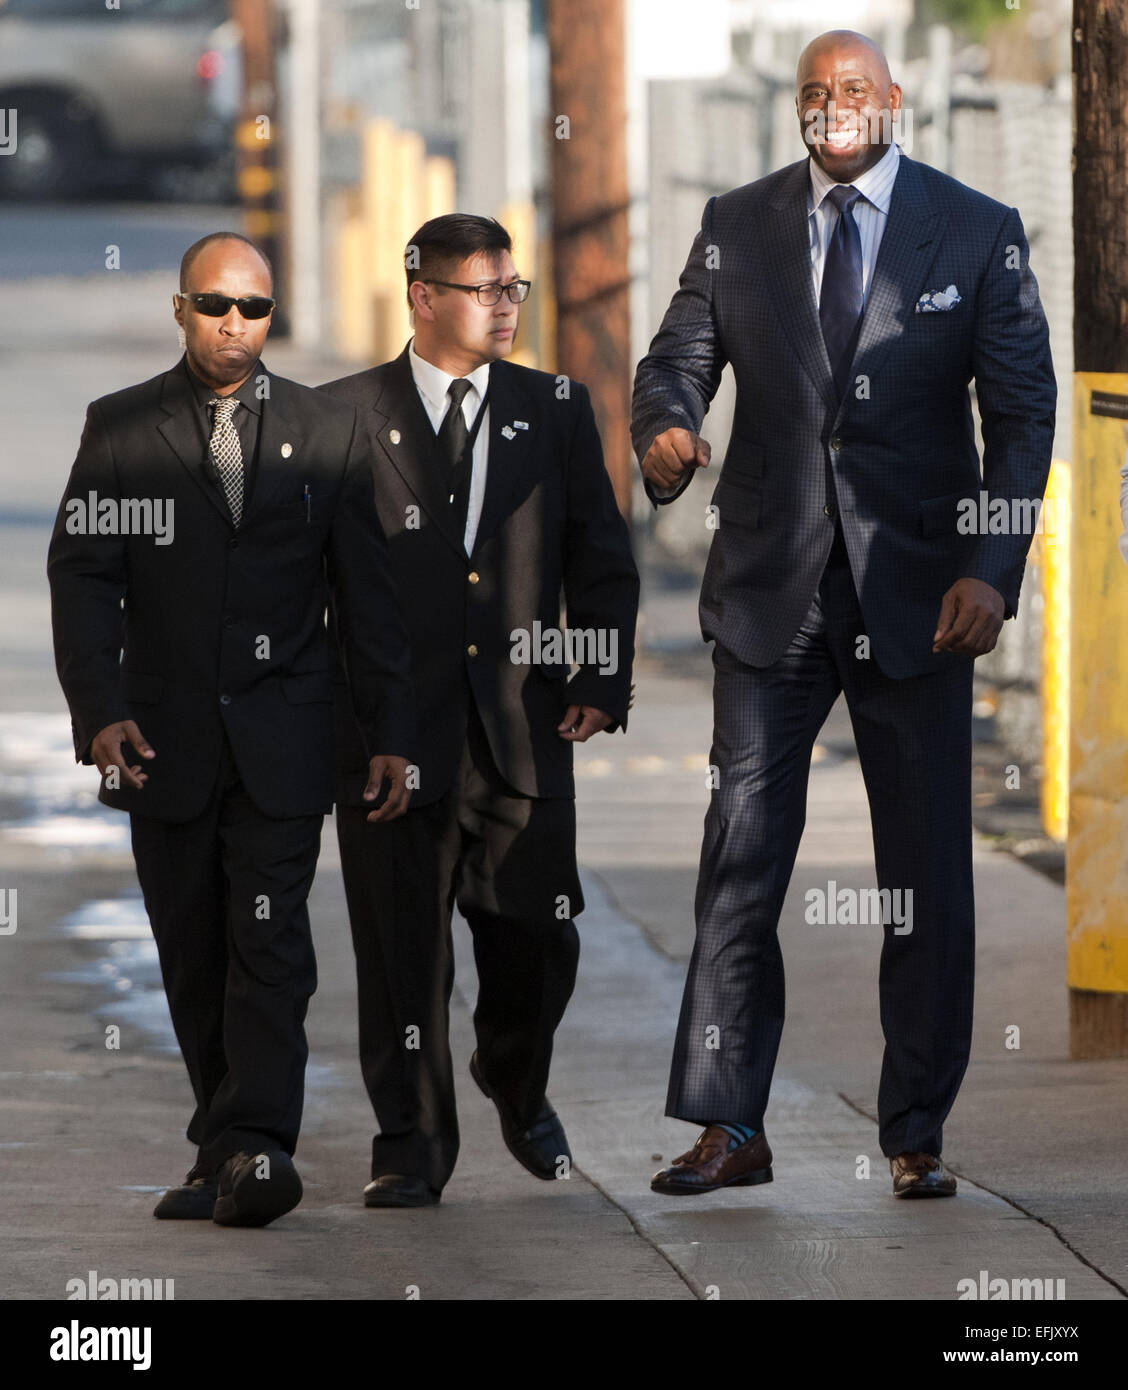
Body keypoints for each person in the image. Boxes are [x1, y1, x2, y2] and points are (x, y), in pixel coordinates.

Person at [633, 30, 1056, 1199]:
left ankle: (916, 1129)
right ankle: (729, 1124)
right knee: (741, 861)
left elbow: (1023, 419)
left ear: (897, 101)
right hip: (772, 594)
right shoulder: (739, 220)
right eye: (816, 93)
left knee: (921, 873)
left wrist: (992, 565)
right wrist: (666, 432)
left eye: (854, 89)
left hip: (923, 598)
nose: (833, 107)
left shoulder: (975, 231)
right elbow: (677, 359)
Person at [47, 233, 415, 1227]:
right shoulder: (121, 430)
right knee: (191, 948)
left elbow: (368, 594)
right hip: (160, 742)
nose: (234, 325)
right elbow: (83, 576)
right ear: (180, 309)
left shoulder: (329, 430)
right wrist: (100, 712)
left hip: (284, 741)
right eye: (215, 304)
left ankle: (256, 1143)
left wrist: (388, 730)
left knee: (271, 946)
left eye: (254, 309)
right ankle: (221, 1144)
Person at [321, 214, 640, 1207]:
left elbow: (601, 556)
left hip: (523, 731)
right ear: (423, 297)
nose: (505, 306)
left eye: (514, 289)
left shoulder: (553, 407)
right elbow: (299, 583)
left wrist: (595, 677)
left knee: (536, 939)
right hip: (389, 740)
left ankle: (514, 1072)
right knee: (402, 954)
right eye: (483, 289)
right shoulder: (340, 416)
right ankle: (410, 1143)